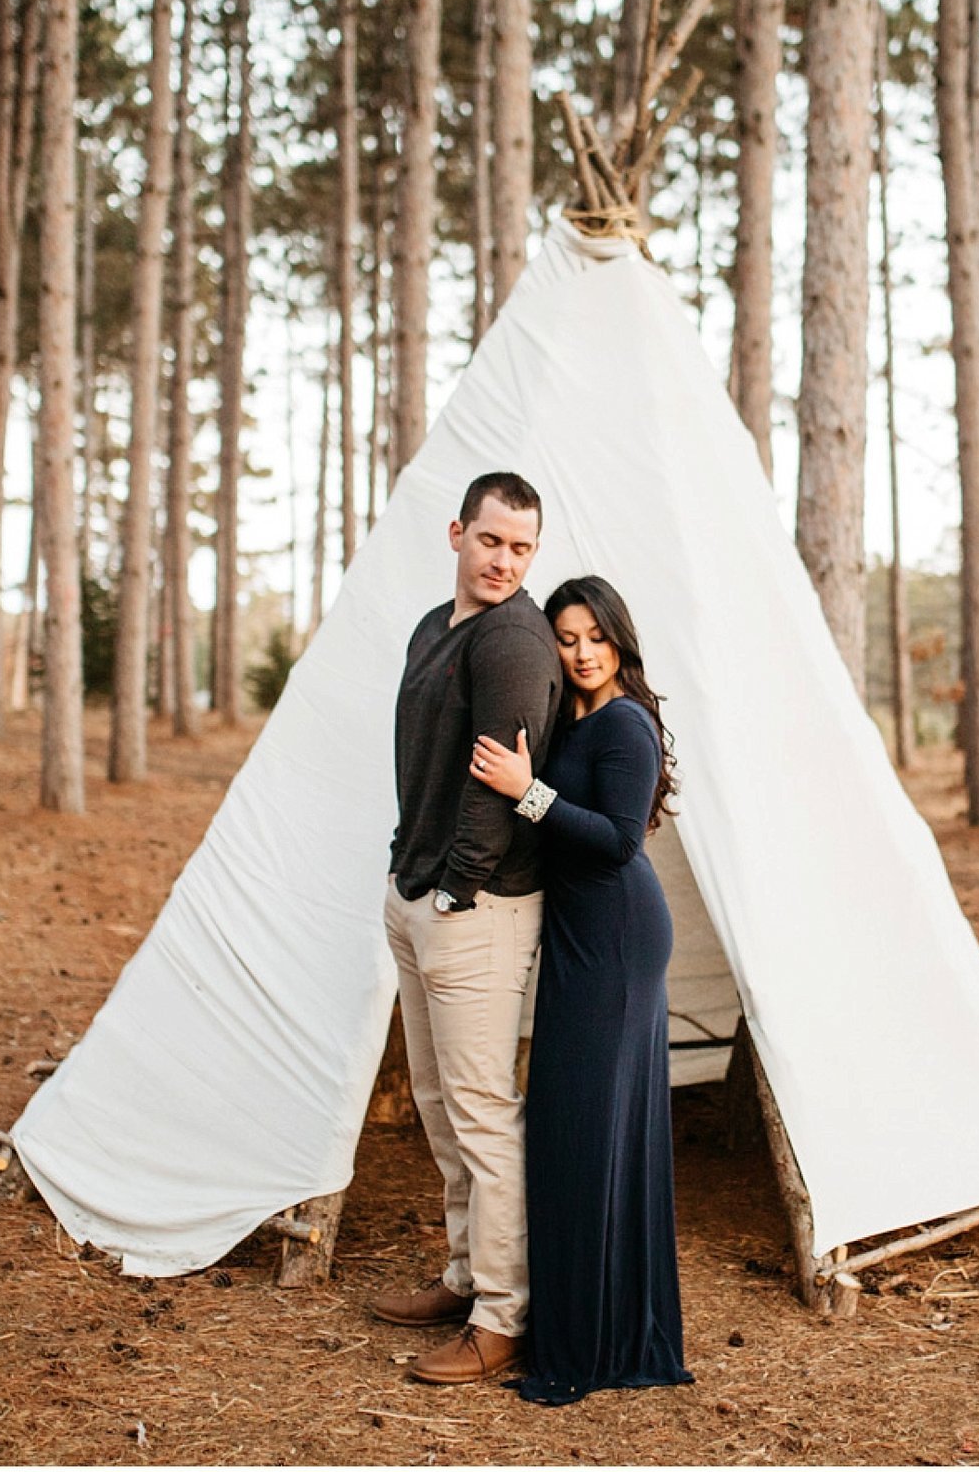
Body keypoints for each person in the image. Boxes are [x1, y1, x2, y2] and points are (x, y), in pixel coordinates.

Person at [470, 574, 695, 1407]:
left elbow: (614, 841)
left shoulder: (627, 723)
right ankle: (573, 1315)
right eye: (567, 638)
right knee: (569, 1124)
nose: (581, 651)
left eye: (594, 635)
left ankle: (597, 1339)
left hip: (618, 937)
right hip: (575, 935)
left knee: (589, 1126)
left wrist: (524, 791)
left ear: (618, 640)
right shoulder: (575, 717)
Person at [368, 471, 566, 1386]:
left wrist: (453, 889)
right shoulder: (430, 628)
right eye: (491, 540)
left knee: (482, 1111)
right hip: (418, 893)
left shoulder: (517, 645)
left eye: (522, 547)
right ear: (458, 533)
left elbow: (501, 789)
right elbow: (427, 763)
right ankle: (463, 1273)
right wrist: (410, 868)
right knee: (440, 1104)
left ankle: (502, 1315)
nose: (504, 561)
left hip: (476, 909)